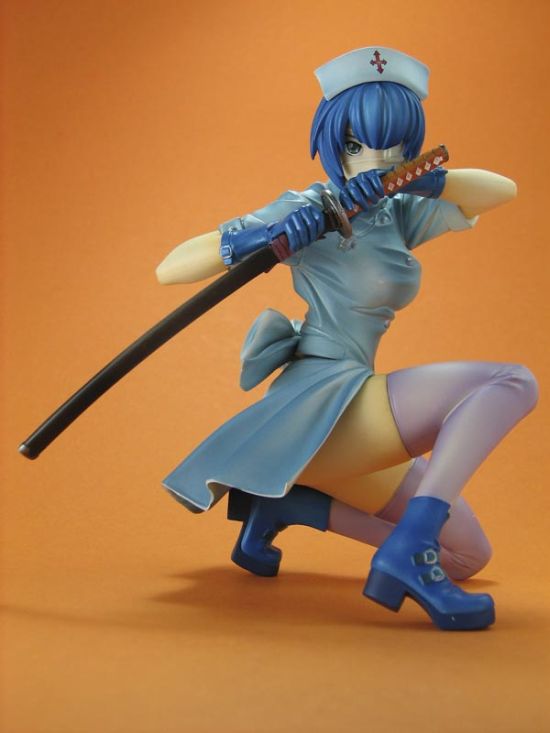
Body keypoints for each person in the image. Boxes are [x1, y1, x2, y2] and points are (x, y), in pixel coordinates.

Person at [156, 47, 538, 630]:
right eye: (358, 146)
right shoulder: (307, 208)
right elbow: (172, 268)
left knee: (467, 556)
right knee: (510, 382)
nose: (375, 161)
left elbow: (499, 190)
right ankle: (410, 548)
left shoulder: (396, 211)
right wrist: (266, 234)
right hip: (325, 402)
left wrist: (428, 182)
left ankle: (292, 507)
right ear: (334, 143)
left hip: (351, 420)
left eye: (394, 147)